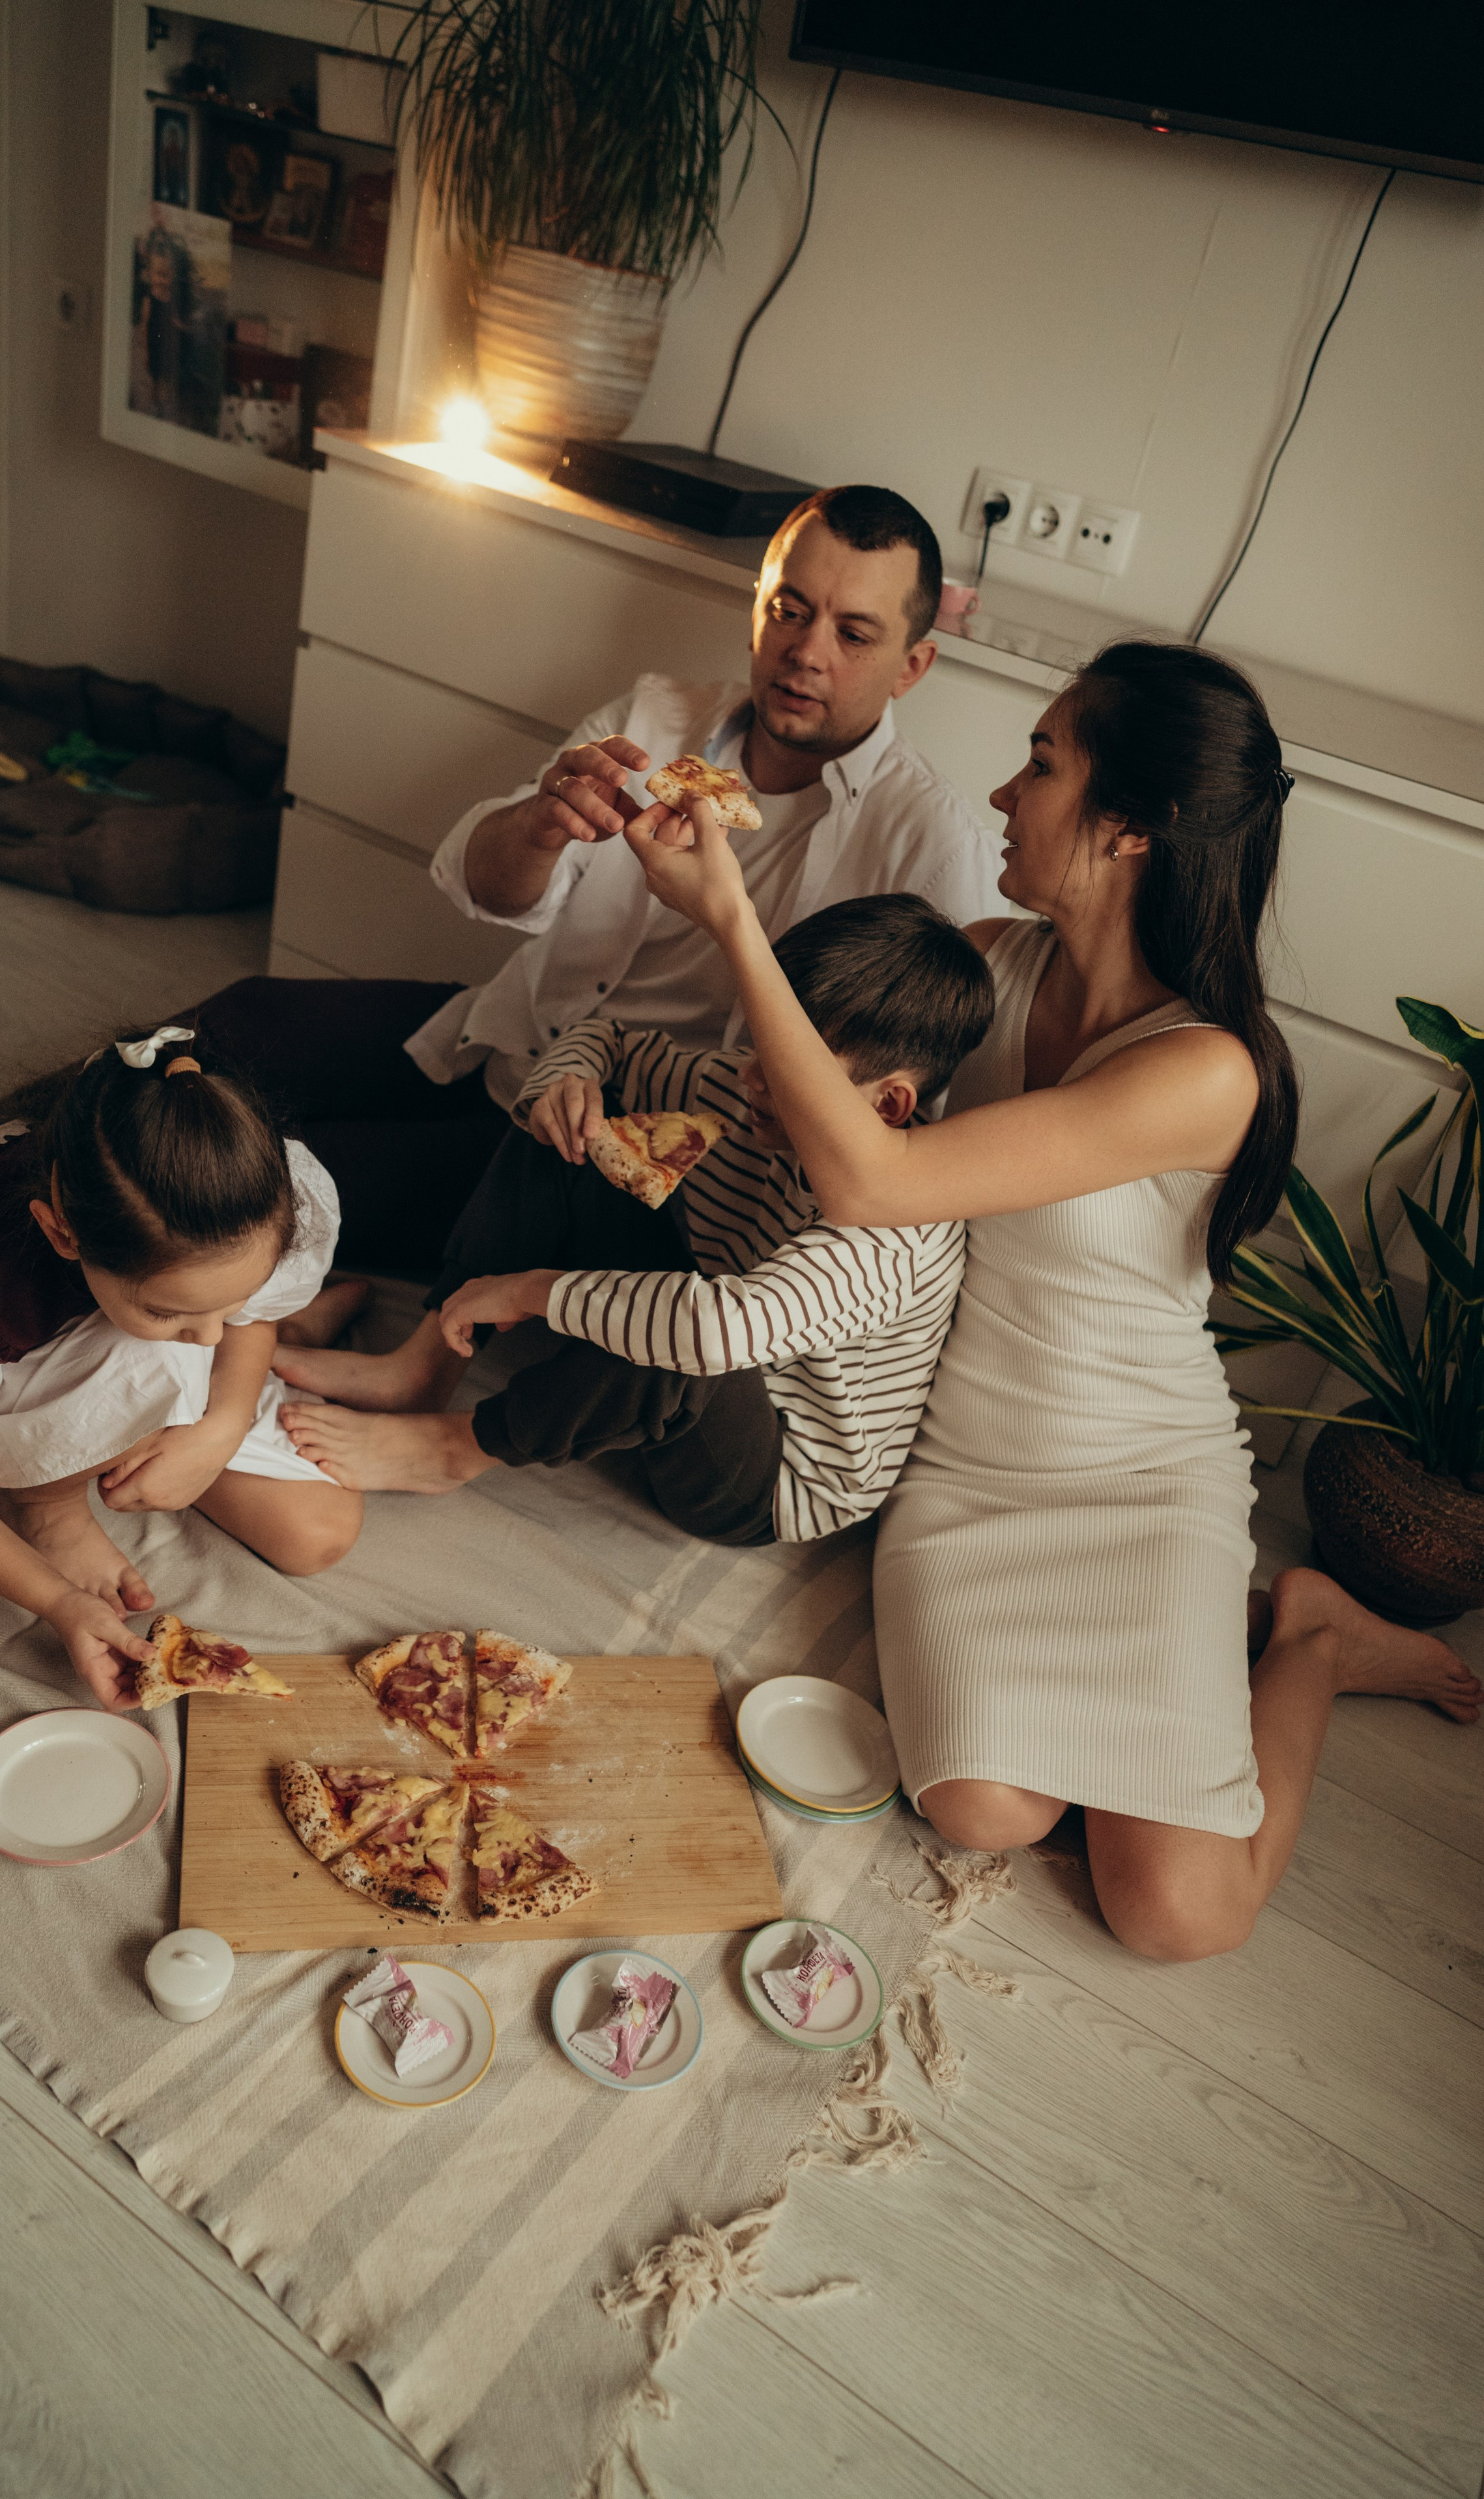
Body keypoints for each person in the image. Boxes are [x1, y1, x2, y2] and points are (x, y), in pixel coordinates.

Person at [612, 640, 1481, 1963]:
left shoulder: (1206, 1069)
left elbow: (871, 1177)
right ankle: (1190, 1681)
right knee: (975, 1808)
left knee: (1176, 1915)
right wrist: (670, 973)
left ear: (1132, 829)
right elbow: (825, 1088)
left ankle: (1303, 1634)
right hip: (962, 1474)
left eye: (1041, 764)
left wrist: (728, 920)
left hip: (1135, 1477)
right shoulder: (984, 963)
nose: (1004, 797)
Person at [0, 485, 1001, 1272]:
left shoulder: (922, 844)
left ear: (914, 665)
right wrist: (543, 819)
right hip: (503, 1039)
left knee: (273, 1177)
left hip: (603, 1157)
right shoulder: (657, 717)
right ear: (757, 605)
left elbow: (863, 1115)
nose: (805, 650)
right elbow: (484, 884)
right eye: (789, 609)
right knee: (229, 1026)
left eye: (853, 632)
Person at [278, 896, 992, 1542]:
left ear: (888, 1105)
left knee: (690, 1337)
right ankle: (424, 1364)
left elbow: (716, 1332)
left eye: (783, 1061)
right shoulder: (745, 1090)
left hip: (764, 1472)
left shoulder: (898, 1237)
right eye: (759, 1036)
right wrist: (569, 1079)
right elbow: (608, 1039)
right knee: (571, 1127)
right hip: (709, 1314)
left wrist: (533, 1289)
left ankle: (456, 1449)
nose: (748, 1073)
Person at [0, 1023, 362, 1714]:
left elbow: (236, 1320)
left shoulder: (247, 1193)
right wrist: (55, 1601)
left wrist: (222, 1425)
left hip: (127, 1337)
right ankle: (43, 1499)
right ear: (64, 1234)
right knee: (155, 1357)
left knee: (317, 1534)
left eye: (231, 1301)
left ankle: (264, 1331)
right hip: (22, 1379)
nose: (212, 1336)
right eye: (173, 1313)